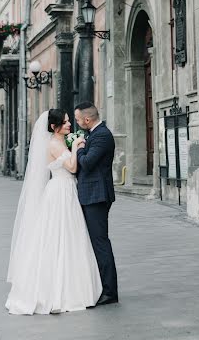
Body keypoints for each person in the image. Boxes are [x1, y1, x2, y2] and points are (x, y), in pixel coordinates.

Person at [6, 109, 102, 315]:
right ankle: (55, 290)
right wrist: (76, 147)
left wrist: (73, 144)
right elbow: (72, 167)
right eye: (66, 122)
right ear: (53, 127)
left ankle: (72, 284)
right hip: (60, 191)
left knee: (70, 236)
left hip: (66, 191)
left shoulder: (60, 142)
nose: (69, 125)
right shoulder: (53, 144)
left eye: (69, 121)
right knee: (58, 235)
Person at [75, 102, 118, 305]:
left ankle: (110, 292)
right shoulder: (94, 133)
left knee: (100, 243)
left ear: (87, 119)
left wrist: (79, 148)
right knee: (96, 242)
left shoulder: (101, 135)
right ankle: (101, 286)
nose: (76, 123)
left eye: (77, 119)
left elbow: (87, 163)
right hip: (91, 194)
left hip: (97, 196)